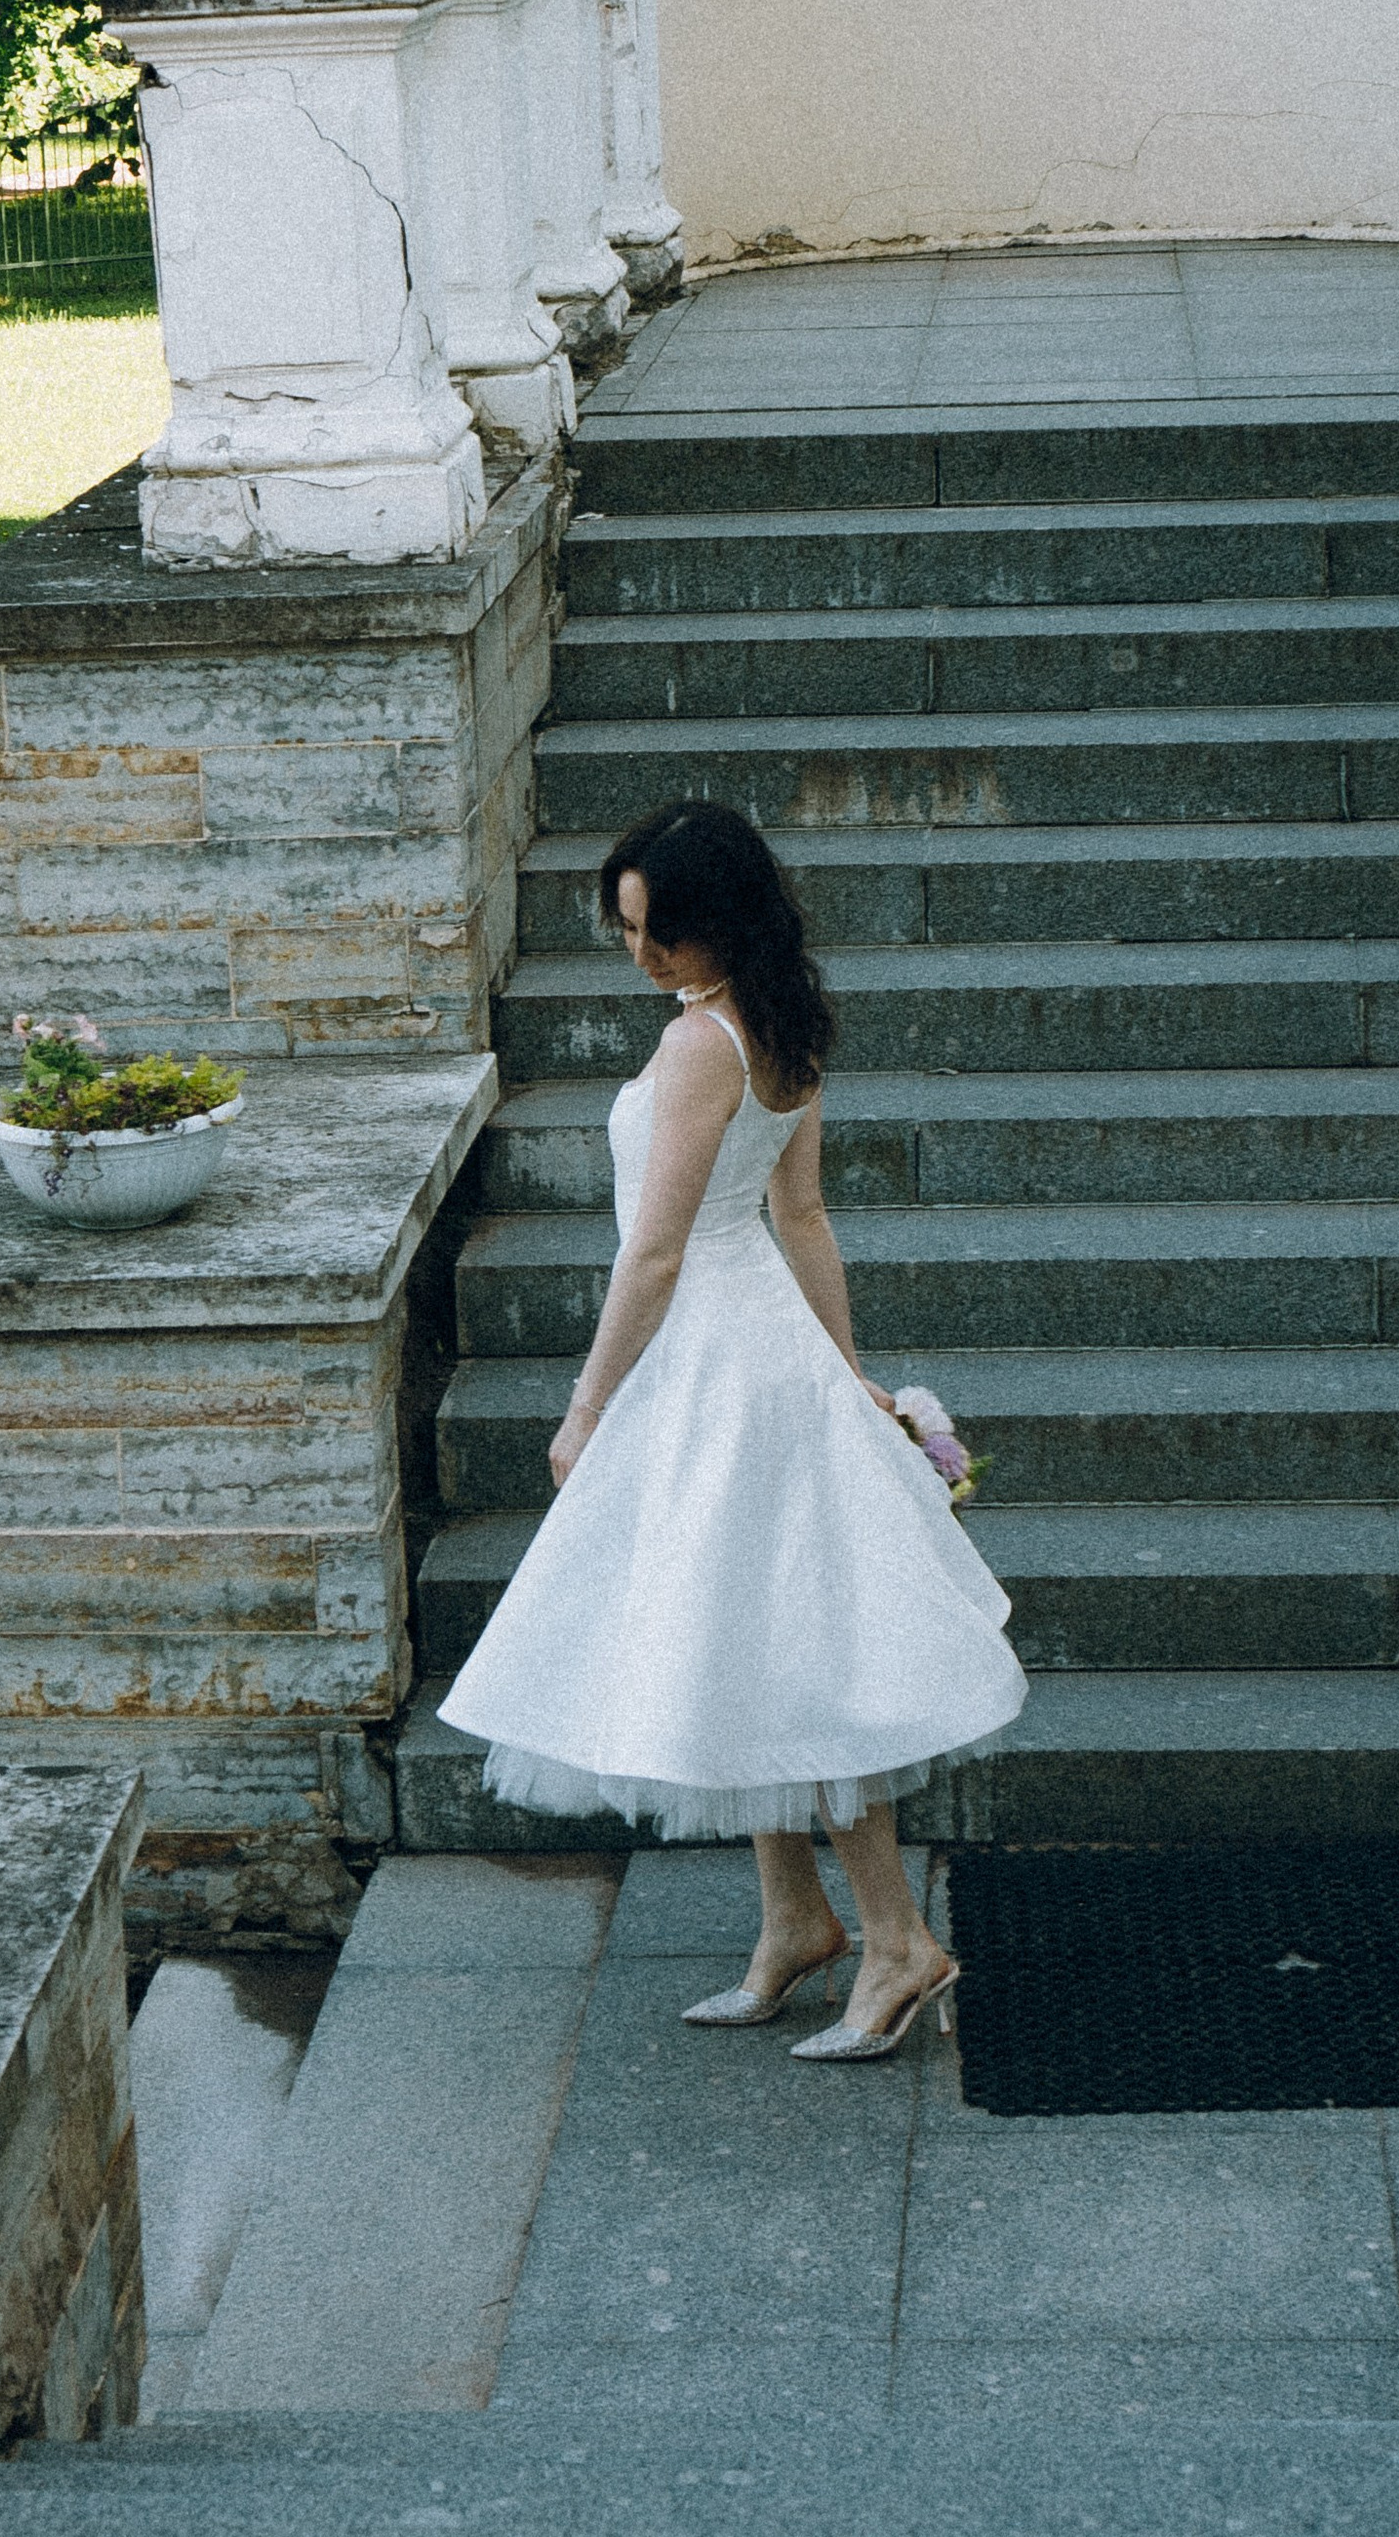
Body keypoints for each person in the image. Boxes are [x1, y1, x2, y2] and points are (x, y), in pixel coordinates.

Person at [440, 799, 1026, 2060]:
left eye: (661, 932)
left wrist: (587, 1404)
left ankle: (896, 1940)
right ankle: (792, 1920)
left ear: (720, 921)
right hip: (757, 1346)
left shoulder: (707, 1043)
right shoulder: (776, 1014)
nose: (641, 954)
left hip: (710, 1350)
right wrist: (843, 1378)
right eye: (629, 929)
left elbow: (656, 1250)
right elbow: (800, 1217)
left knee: (788, 1651)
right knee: (746, 1637)